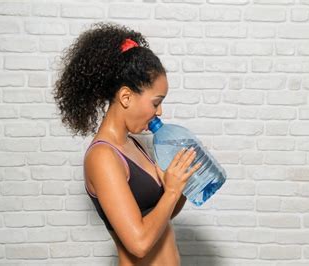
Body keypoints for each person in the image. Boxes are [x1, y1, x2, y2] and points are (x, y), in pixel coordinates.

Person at [53, 22, 201, 265]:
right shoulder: (102, 156)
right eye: (156, 102)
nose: (160, 111)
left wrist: (181, 185)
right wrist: (172, 190)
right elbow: (139, 243)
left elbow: (163, 215)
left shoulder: (135, 144)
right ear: (125, 97)